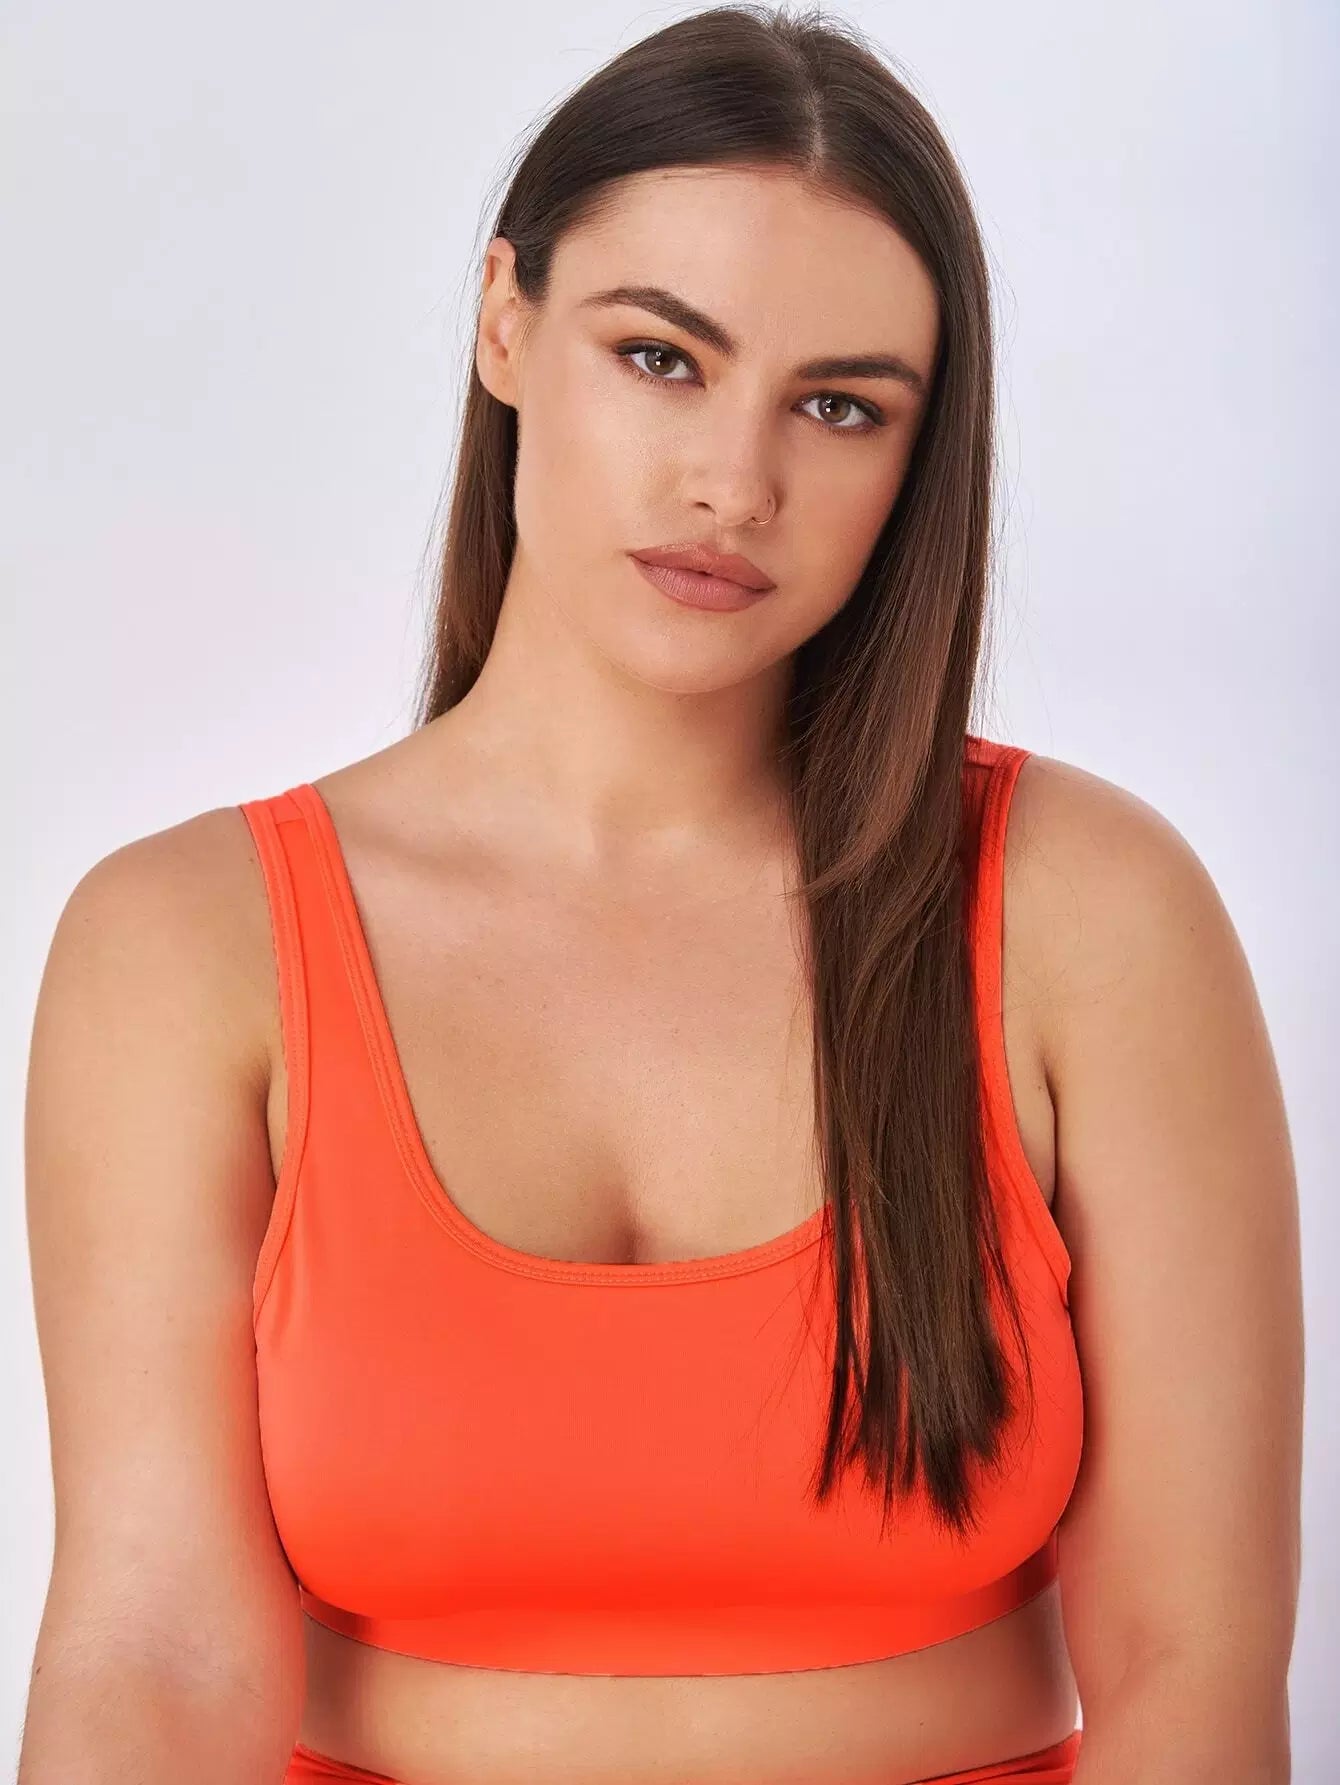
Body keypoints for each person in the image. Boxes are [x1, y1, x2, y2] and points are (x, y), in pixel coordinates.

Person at [19, 6, 1302, 1784]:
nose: (735, 484)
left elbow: (1191, 1666)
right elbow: (154, 1652)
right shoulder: (183, 947)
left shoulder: (1094, 916)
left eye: (839, 406)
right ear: (505, 320)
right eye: (661, 357)